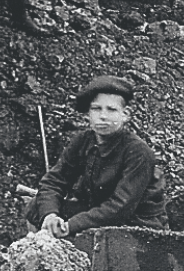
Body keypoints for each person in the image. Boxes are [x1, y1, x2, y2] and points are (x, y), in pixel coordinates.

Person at [28, 75, 169, 237]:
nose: (103, 116)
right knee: (35, 208)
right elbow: (54, 181)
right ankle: (40, 252)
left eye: (111, 110)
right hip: (97, 213)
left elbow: (120, 207)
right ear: (88, 113)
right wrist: (50, 215)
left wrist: (70, 226)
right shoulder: (83, 141)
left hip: (137, 224)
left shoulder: (138, 152)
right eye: (96, 109)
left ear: (125, 114)